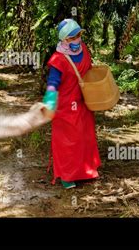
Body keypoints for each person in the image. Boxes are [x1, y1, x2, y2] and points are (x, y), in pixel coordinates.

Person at [42, 19, 101, 189]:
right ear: (64, 40)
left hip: (84, 101)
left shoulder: (84, 50)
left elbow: (89, 70)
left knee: (85, 137)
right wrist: (50, 102)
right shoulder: (58, 59)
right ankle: (67, 176)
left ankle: (86, 171)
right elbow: (53, 82)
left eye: (79, 35)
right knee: (69, 141)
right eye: (73, 37)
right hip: (66, 106)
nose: (77, 39)